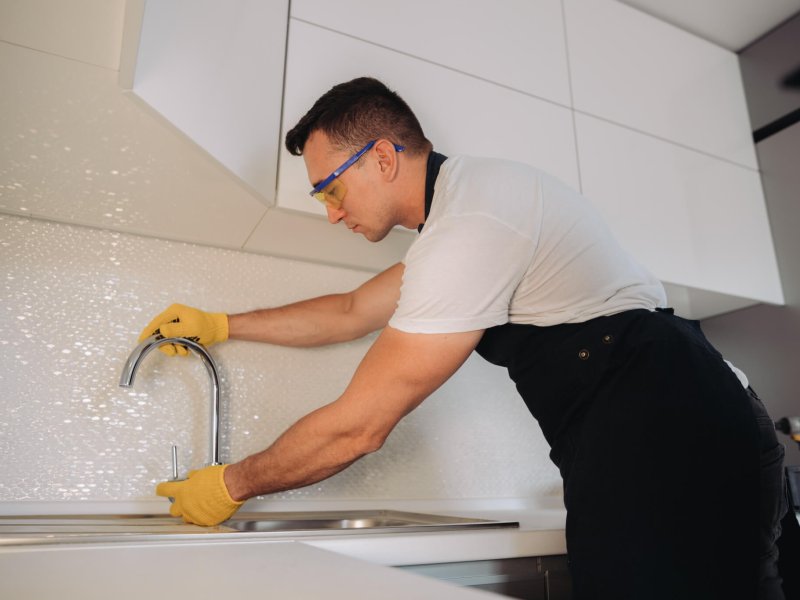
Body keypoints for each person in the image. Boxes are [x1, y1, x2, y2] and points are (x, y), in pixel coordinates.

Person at [142, 77, 788, 599]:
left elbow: (359, 427)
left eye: (331, 189)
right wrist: (221, 324)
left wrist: (230, 484)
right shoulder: (462, 217)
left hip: (678, 428)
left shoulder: (472, 224)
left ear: (386, 156)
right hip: (669, 422)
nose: (331, 212)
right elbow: (348, 311)